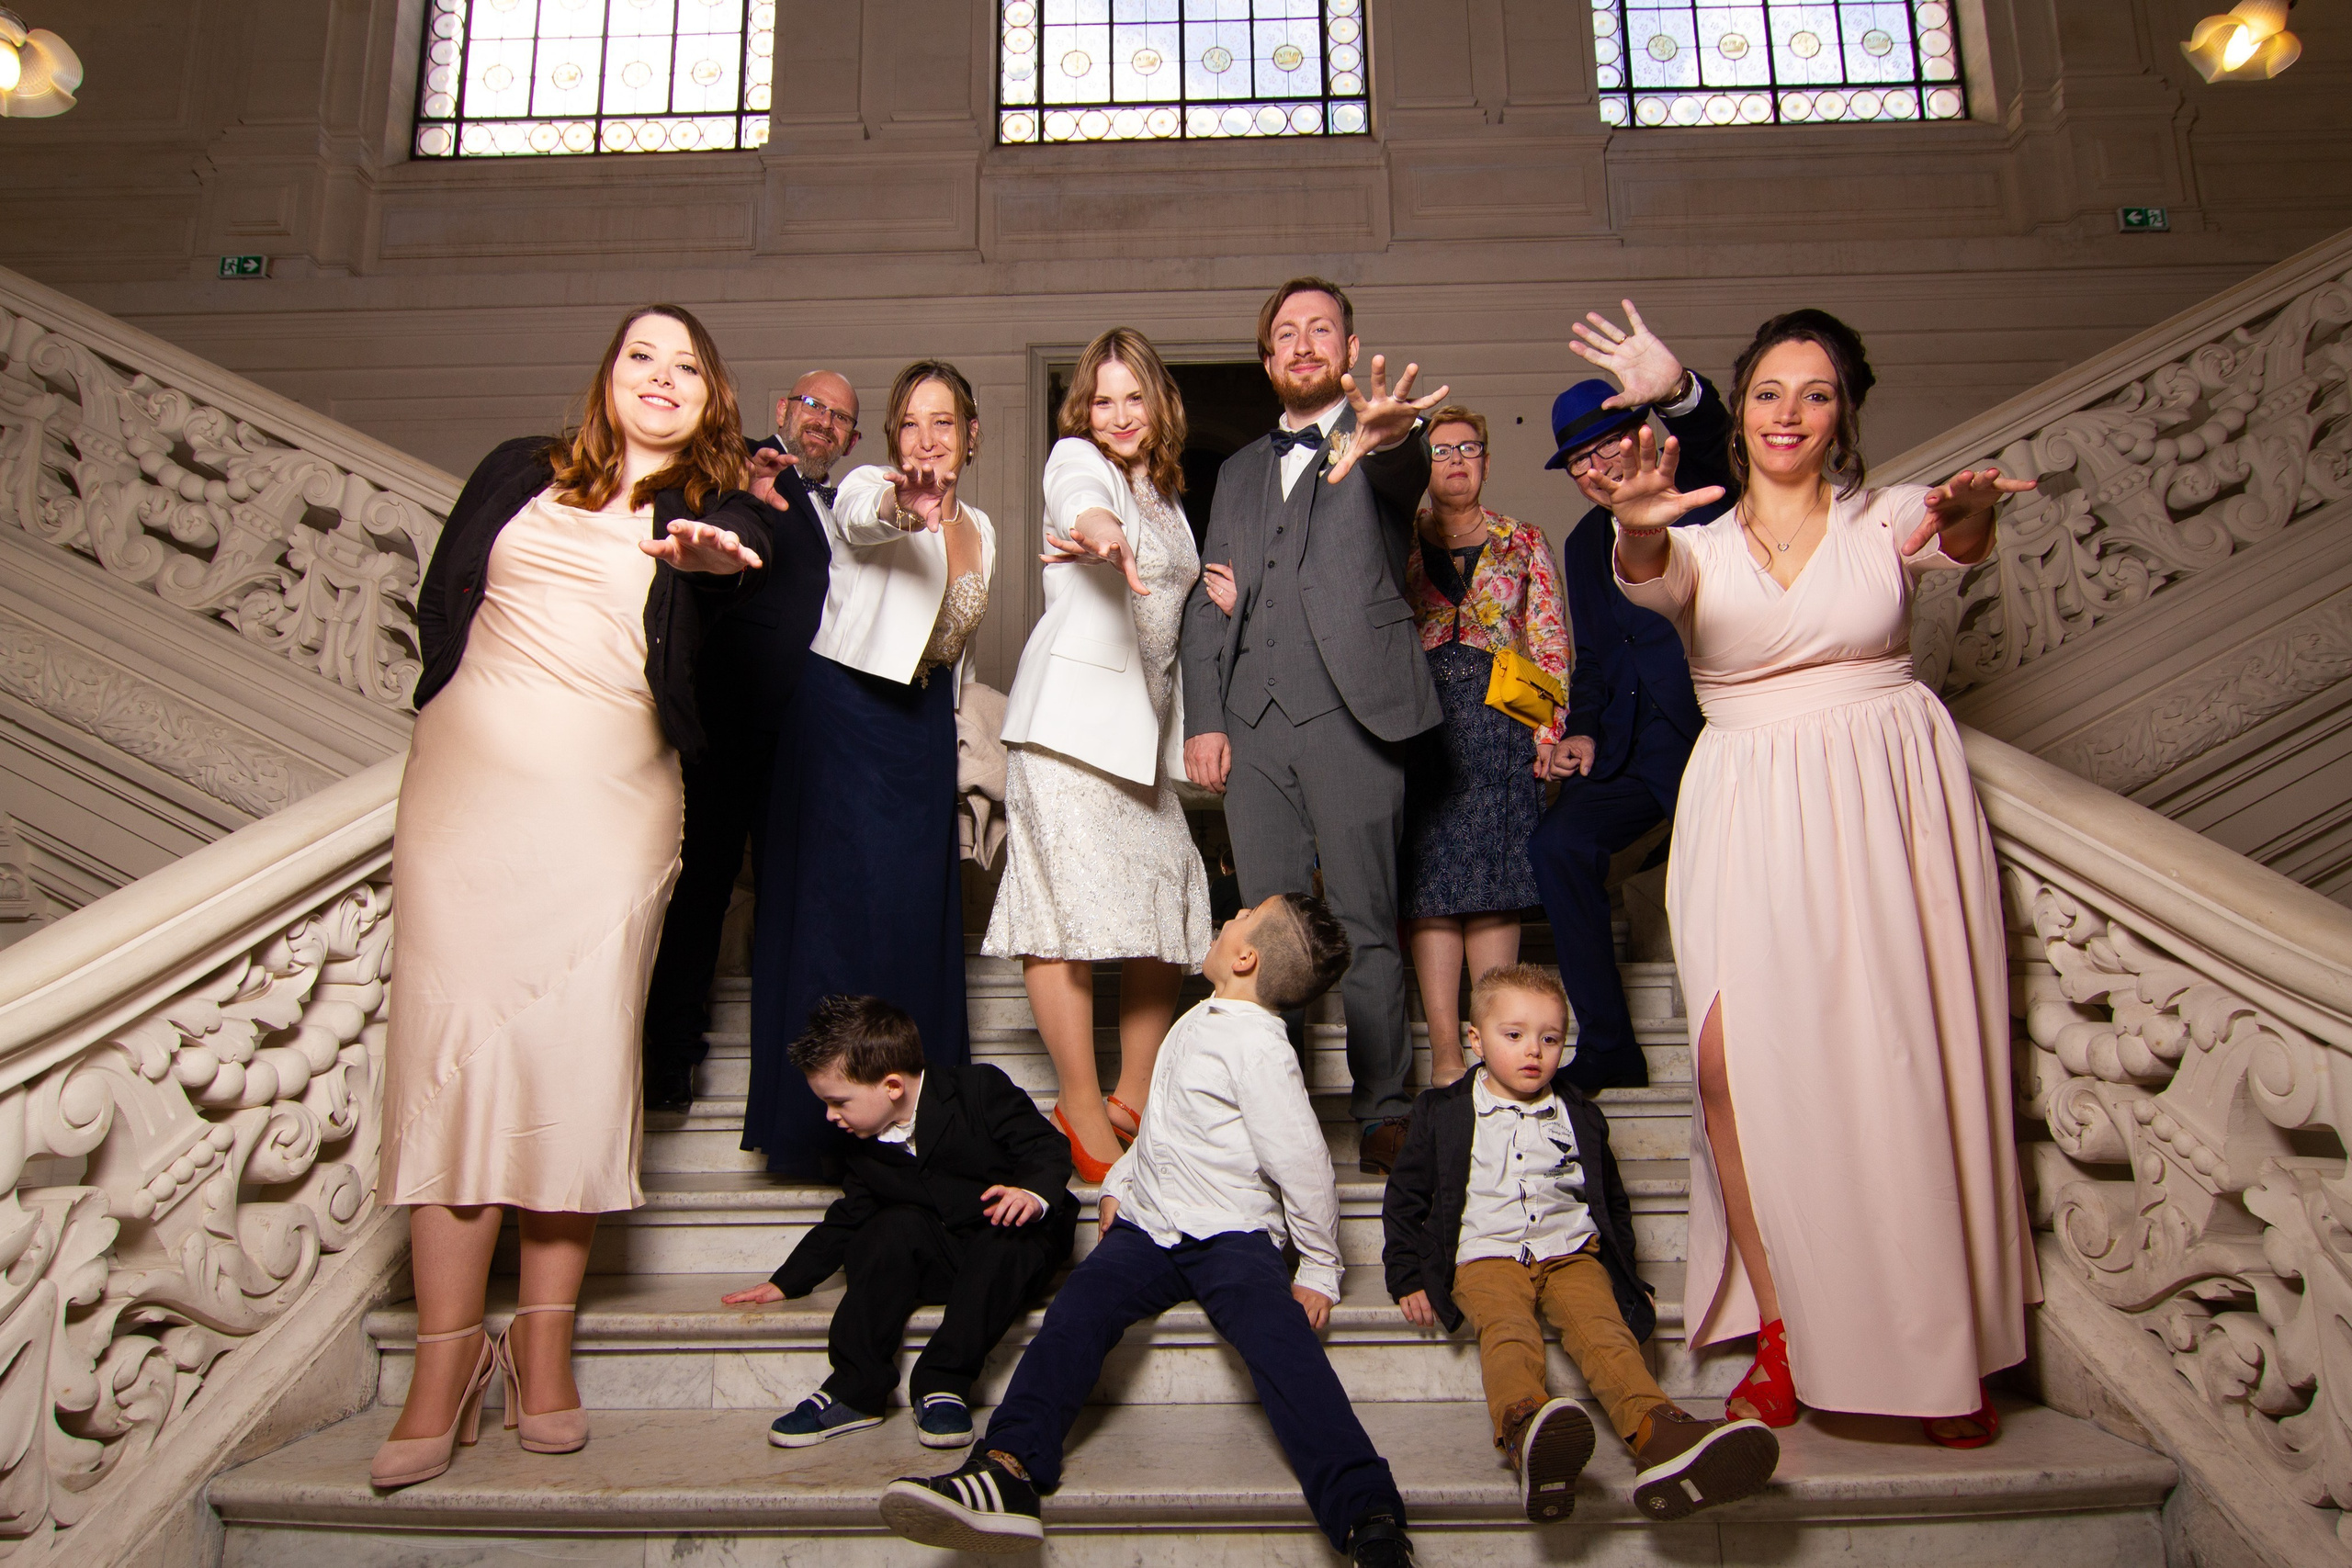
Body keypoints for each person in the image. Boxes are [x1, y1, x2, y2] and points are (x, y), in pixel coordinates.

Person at [1602, 309, 2041, 1445]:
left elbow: (1954, 536)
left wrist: (1973, 512)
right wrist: (1636, 527)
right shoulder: (1695, 537)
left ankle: (1937, 1348)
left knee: (1894, 1068)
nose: (1788, 412)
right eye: (1768, 392)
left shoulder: (1882, 515)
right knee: (1727, 1070)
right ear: (1738, 413)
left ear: (1842, 416)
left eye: (1814, 393)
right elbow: (1646, 572)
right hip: (1744, 806)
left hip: (1886, 799)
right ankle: (1784, 1326)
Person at [373, 305, 775, 1489]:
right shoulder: (518, 470)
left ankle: (542, 1349)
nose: (661, 377)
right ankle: (445, 1362)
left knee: (572, 1068)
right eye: (641, 355)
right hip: (464, 808)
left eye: (686, 366)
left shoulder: (713, 504)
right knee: (449, 1066)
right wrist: (457, 708)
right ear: (607, 375)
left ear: (711, 398)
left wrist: (719, 555)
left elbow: (742, 556)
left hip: (610, 811)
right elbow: (444, 599)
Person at [879, 894, 1418, 1568]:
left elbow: (1304, 1161)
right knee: (1076, 1312)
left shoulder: (1258, 1045)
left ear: (1245, 958)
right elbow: (1163, 1128)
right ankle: (1007, 1467)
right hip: (1150, 1227)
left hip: (1232, 1235)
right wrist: (1118, 1184)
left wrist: (1318, 1265)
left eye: (1241, 916)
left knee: (1281, 1345)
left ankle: (1368, 1515)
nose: (1229, 917)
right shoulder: (1197, 1019)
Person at [1180, 276, 1451, 1177]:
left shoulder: (1379, 439)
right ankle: (1276, 1110)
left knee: (1366, 919)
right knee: (1267, 934)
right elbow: (1210, 599)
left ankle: (1385, 1108)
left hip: (1353, 717)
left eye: (1320, 329)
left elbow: (1402, 471)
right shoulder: (1233, 473)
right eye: (1286, 333)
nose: (1303, 344)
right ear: (1268, 361)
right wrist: (1205, 717)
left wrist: (1392, 435)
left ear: (1348, 347)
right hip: (1253, 724)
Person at [1380, 964, 1778, 1525]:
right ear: (1476, 1039)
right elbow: (1405, 1197)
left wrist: (1628, 1276)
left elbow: (1612, 1200)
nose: (1533, 1051)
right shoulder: (1442, 1111)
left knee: (1606, 1333)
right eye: (1514, 1035)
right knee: (1508, 1331)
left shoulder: (1580, 1113)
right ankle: (1527, 1430)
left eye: (1550, 1038)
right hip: (1486, 1255)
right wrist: (1406, 1275)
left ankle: (1660, 1433)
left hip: (1570, 1251)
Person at [742, 360, 998, 1179]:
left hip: (920, 730)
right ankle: (820, 1130)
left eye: (942, 422)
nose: (925, 439)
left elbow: (955, 646)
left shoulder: (984, 529)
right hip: (843, 717)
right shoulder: (864, 487)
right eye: (909, 423)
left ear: (970, 435)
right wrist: (899, 505)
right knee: (834, 920)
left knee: (914, 921)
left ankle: (915, 1123)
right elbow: (863, 521)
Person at [985, 328, 1214, 1182]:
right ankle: (1080, 1104)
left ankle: (1133, 1096)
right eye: (1102, 400)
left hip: (1139, 738)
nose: (1118, 415)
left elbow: (1172, 605)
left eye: (1134, 397)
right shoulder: (1078, 461)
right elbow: (1079, 497)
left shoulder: (1167, 494)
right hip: (1068, 732)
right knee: (1060, 912)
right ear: (1083, 411)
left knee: (1168, 902)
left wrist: (1216, 592)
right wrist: (1101, 530)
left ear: (1159, 403)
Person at [1527, 301, 1736, 1095]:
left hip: (1712, 736)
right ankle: (1610, 1046)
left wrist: (1678, 389)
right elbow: (1595, 657)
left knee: (1723, 885)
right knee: (1557, 845)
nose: (1594, 466)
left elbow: (1718, 439)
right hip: (1626, 749)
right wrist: (1580, 729)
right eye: (1577, 460)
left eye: (1606, 442)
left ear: (1642, 432)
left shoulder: (1710, 494)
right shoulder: (1585, 542)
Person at [721, 994, 1078, 1450]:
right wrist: (786, 1282)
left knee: (1005, 1240)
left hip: (1012, 1248)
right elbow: (846, 1220)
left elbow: (1046, 1147)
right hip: (945, 1255)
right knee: (885, 1228)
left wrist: (1031, 1193)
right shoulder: (863, 1144)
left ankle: (942, 1381)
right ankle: (856, 1389)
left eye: (838, 1102)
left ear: (891, 1086)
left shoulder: (979, 1088)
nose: (830, 1116)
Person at [640, 370, 854, 1113]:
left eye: (841, 417)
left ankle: (797, 1074)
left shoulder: (847, 508)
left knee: (798, 898)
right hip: (732, 717)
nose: (824, 422)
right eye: (813, 406)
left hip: (810, 732)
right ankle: (668, 1060)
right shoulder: (742, 470)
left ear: (853, 438)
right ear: (784, 410)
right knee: (702, 886)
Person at [1396, 407, 1569, 1087]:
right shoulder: (1397, 538)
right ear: (1424, 465)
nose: (1456, 460)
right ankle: (1446, 1057)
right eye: (1441, 451)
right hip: (1421, 728)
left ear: (1487, 462)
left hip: (1501, 726)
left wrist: (1548, 734)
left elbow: (1548, 639)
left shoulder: (1523, 540)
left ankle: (1493, 1058)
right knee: (1431, 893)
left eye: (1469, 448)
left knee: (1495, 890)